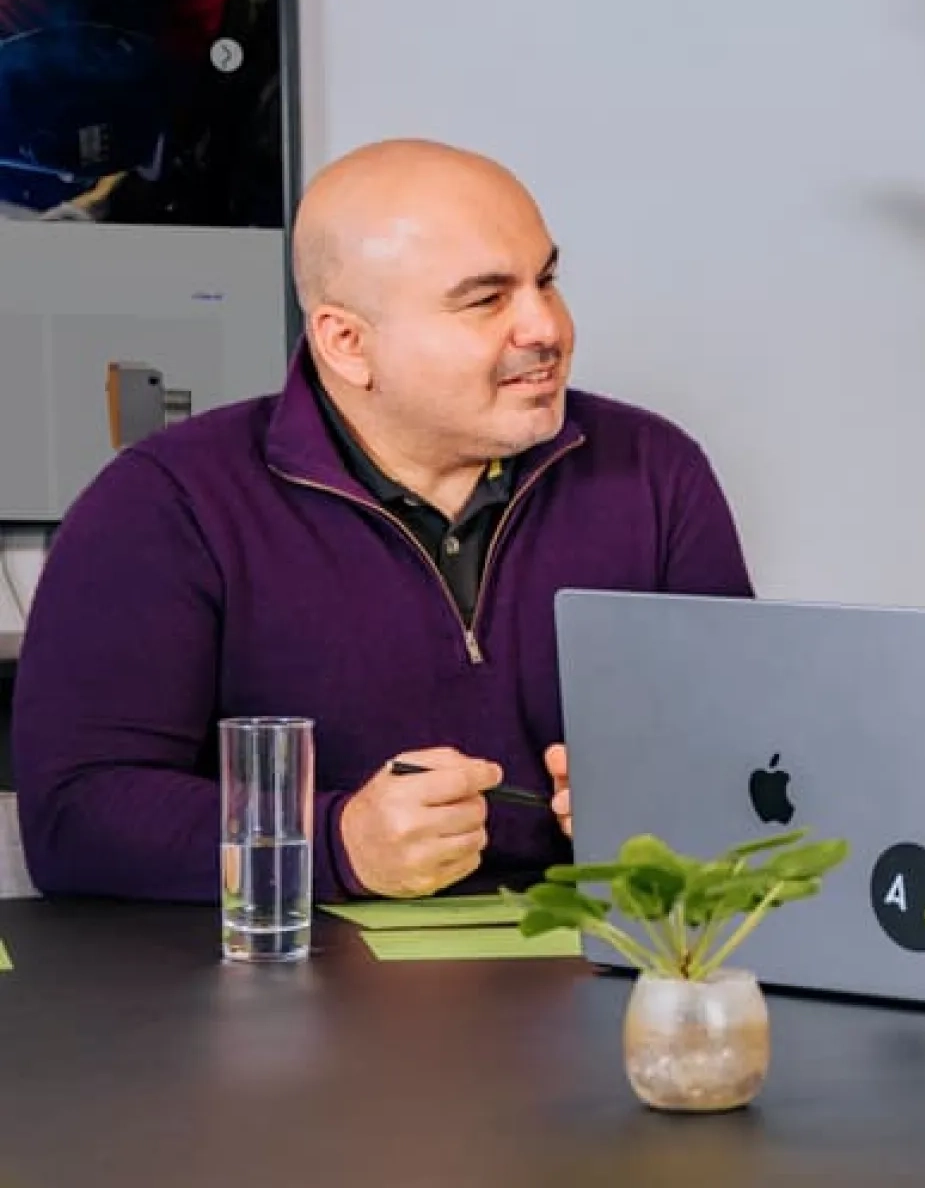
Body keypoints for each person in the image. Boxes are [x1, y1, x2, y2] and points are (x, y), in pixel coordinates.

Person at [15, 138, 750, 903]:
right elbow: (75, 818)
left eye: (548, 280)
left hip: (598, 975)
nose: (546, 328)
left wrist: (673, 807)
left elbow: (756, 756)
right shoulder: (167, 503)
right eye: (486, 299)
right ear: (347, 343)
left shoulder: (654, 471)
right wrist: (337, 843)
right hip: (286, 995)